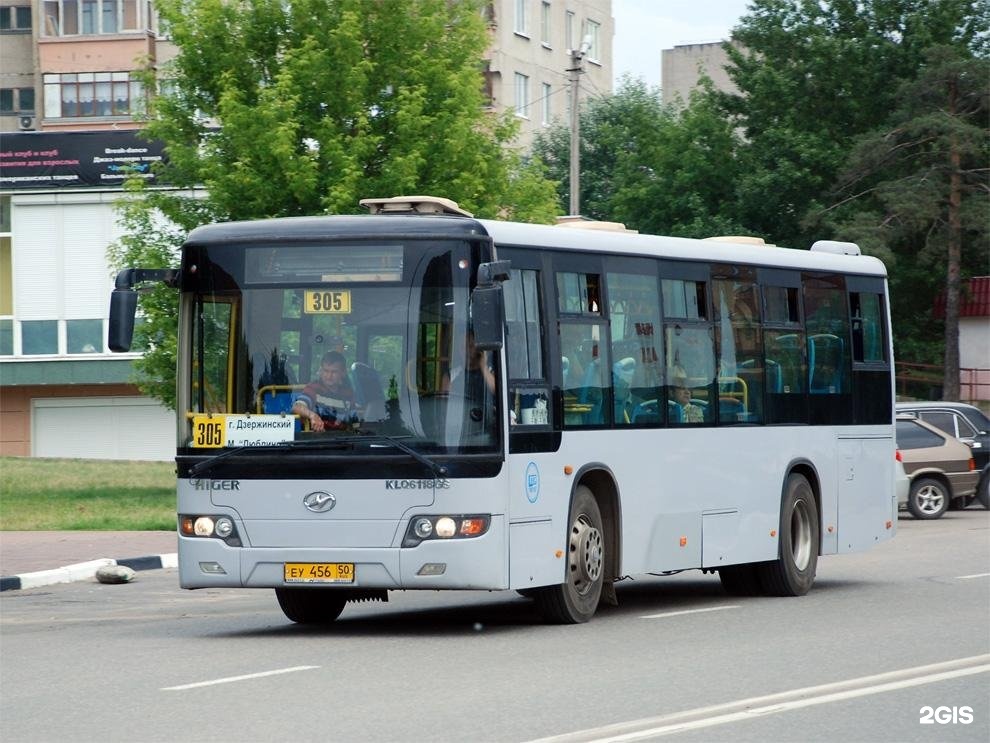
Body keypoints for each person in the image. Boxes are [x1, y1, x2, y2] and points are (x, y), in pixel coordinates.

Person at [292, 351, 357, 431]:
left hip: (342, 439)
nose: (329, 376)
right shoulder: (313, 388)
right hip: (317, 439)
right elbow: (297, 407)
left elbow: (355, 423)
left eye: (334, 372)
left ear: (343, 373)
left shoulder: (348, 394)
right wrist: (313, 416)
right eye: (326, 371)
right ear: (321, 371)